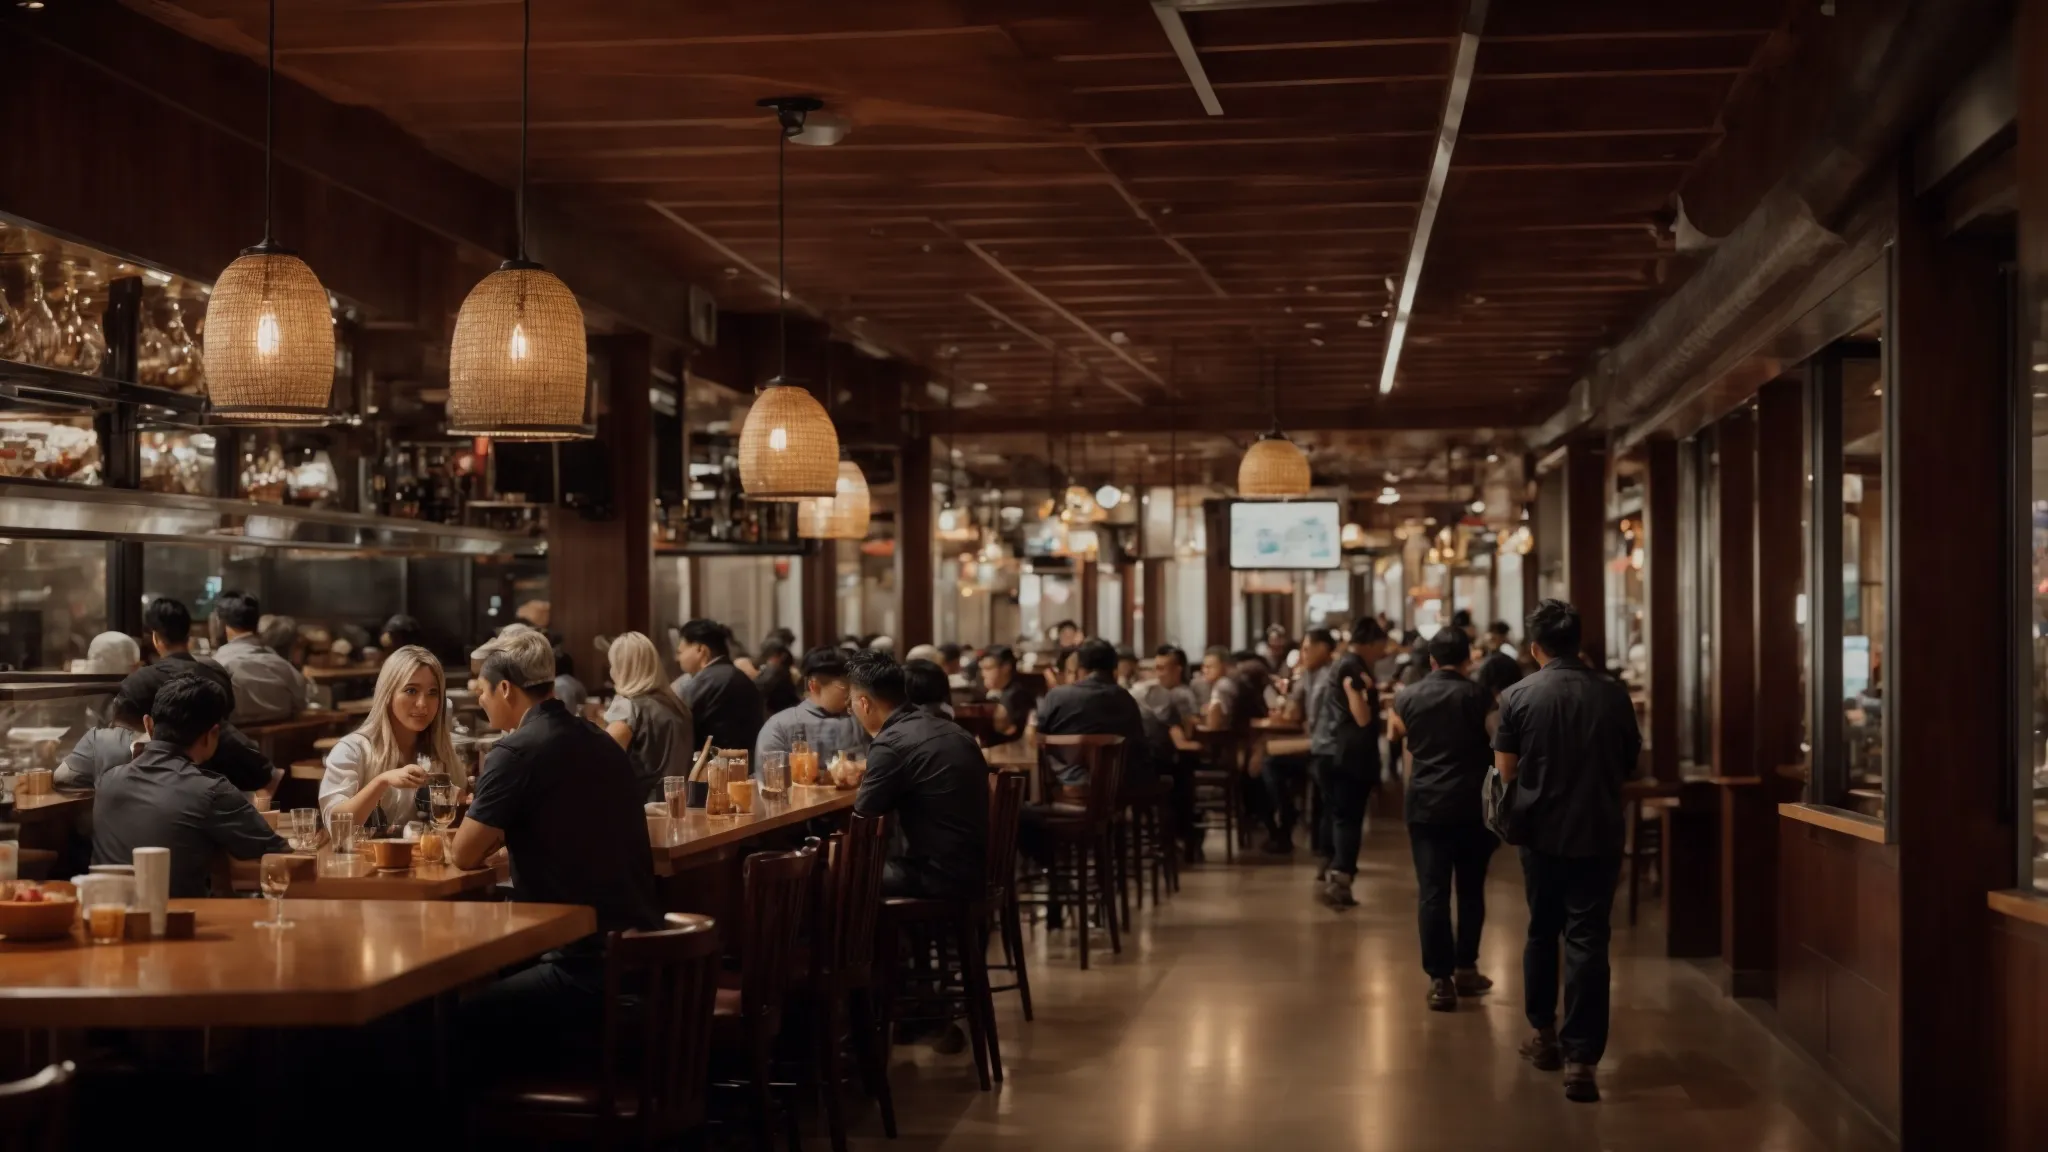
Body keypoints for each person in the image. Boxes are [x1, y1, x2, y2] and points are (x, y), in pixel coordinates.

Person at [452, 629, 664, 1072]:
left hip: (581, 967)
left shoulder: (515, 752)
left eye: (482, 690)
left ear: (505, 688)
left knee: (454, 1019)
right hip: (637, 954)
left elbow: (463, 855)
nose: (482, 701)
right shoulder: (601, 742)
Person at [1493, 599, 1642, 1104]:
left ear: (1536, 648)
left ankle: (1543, 1034)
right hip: (1599, 832)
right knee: (1589, 938)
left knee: (1541, 930)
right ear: (1578, 643)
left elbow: (1506, 774)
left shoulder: (1516, 696)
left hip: (1540, 833)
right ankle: (1582, 1060)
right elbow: (1628, 763)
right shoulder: (1614, 695)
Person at [92, 675, 290, 897]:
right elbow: (278, 853)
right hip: (181, 922)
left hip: (110, 917)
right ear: (213, 735)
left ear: (148, 725)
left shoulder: (107, 780)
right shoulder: (211, 791)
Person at [1387, 626, 1499, 1012]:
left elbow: (1395, 733)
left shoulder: (1408, 697)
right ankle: (1466, 968)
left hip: (1426, 806)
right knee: (1470, 889)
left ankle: (1440, 980)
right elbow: (1497, 739)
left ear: (1431, 660)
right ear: (1468, 660)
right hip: (1471, 806)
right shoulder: (1480, 695)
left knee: (1432, 892)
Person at [849, 650, 991, 899]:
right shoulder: (951, 729)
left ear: (864, 703)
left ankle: (864, 939)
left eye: (851, 703)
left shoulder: (890, 743)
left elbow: (864, 823)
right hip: (978, 867)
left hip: (939, 876)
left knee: (840, 874)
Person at [107, 598, 276, 793]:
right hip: (228, 782)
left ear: (156, 637)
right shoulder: (216, 672)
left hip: (163, 786)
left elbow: (120, 740)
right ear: (189, 634)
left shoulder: (139, 682)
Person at [1020, 639, 1154, 885]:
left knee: (1021, 811)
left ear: (1080, 667)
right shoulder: (1126, 698)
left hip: (1069, 794)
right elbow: (1139, 748)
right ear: (1114, 668)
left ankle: (1054, 874)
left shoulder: (1058, 695)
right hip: (1115, 797)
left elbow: (1033, 740)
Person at [319, 645, 464, 834]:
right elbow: (337, 826)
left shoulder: (442, 752)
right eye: (411, 691)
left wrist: (462, 805)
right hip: (362, 862)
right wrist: (381, 782)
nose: (422, 704)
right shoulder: (353, 749)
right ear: (388, 695)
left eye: (432, 693)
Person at [1315, 620, 1390, 909]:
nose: (1383, 651)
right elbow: (1360, 715)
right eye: (1381, 645)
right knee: (1348, 818)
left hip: (1336, 753)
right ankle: (1341, 878)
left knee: (1340, 815)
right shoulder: (1352, 667)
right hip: (1348, 755)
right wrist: (1369, 707)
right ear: (1370, 643)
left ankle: (1335, 871)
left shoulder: (1347, 663)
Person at [1262, 628, 1334, 854]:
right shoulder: (1308, 675)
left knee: (1268, 761)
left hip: (1327, 747)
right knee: (1269, 762)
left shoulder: (1331, 676)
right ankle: (1288, 816)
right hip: (1313, 744)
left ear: (1323, 649)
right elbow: (1293, 712)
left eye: (1306, 649)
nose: (1303, 654)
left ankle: (1288, 821)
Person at [602, 631, 695, 803]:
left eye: (613, 665)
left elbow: (602, 760)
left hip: (641, 812)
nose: (611, 671)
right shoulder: (677, 706)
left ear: (623, 668)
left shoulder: (627, 707)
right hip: (678, 807)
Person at [1129, 645, 1203, 854]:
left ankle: (1174, 835)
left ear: (1178, 669)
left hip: (1171, 759)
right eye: (1156, 668)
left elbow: (1188, 732)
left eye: (1163, 668)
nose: (1158, 674)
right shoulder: (1151, 692)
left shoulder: (1181, 695)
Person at [755, 647, 868, 766]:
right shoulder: (780, 727)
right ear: (814, 686)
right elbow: (771, 779)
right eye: (844, 686)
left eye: (856, 687)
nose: (853, 693)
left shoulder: (862, 722)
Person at [210, 590, 307, 724]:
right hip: (282, 744)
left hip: (231, 744)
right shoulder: (285, 668)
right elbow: (301, 704)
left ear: (222, 625)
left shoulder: (216, 668)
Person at [673, 618, 765, 756]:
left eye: (680, 652)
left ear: (700, 650)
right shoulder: (737, 675)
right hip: (745, 763)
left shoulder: (707, 680)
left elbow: (678, 726)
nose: (677, 658)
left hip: (715, 767)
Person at [978, 645, 1035, 745]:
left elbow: (1009, 732)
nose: (983, 674)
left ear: (1006, 667)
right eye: (982, 669)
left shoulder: (1018, 696)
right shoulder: (986, 693)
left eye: (988, 668)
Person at [753, 637, 802, 716]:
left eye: (771, 657)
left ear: (782, 656)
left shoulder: (776, 673)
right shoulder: (781, 671)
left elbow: (758, 687)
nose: (768, 661)